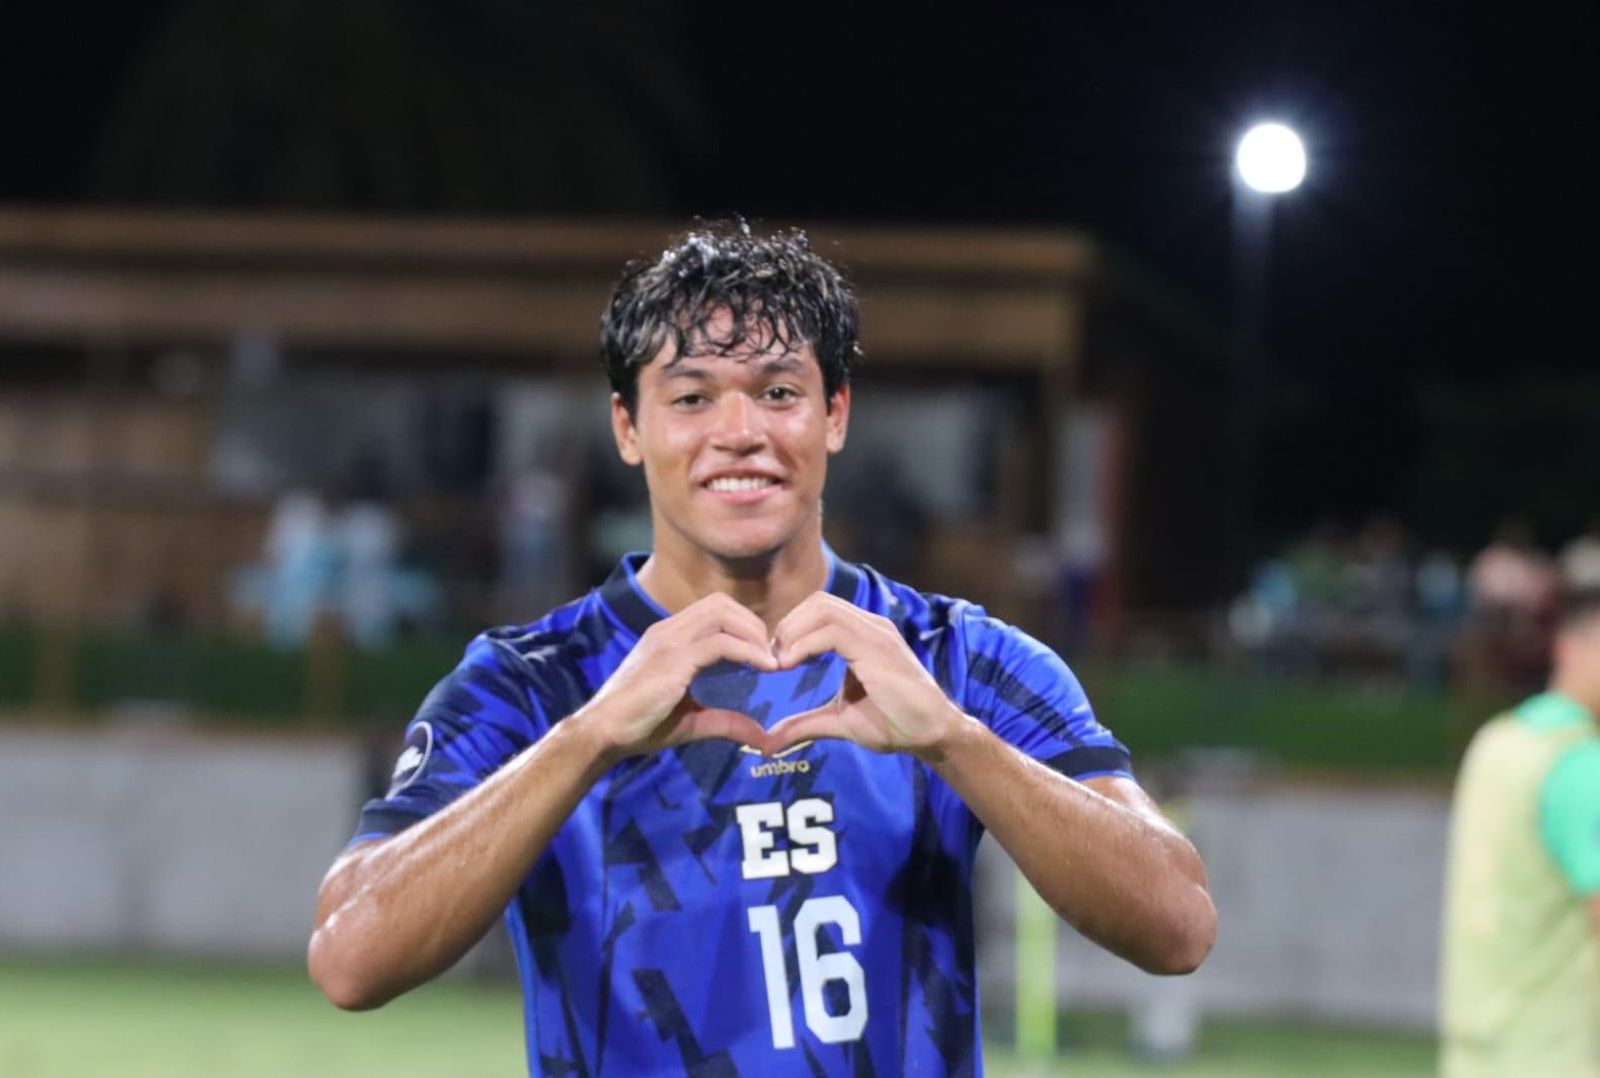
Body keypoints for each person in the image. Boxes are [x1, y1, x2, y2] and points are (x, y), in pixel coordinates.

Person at [308, 224, 1216, 1075]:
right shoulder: (528, 685)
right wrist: (585, 740)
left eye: (779, 393)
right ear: (628, 427)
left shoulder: (956, 660)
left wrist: (955, 741)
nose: (739, 433)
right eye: (691, 397)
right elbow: (350, 957)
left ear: (835, 414)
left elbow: (1178, 926)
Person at [1439, 587, 1600, 1077]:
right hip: (1558, 1049)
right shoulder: (1580, 765)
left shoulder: (1497, 742)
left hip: (1476, 1047)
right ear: (1568, 647)